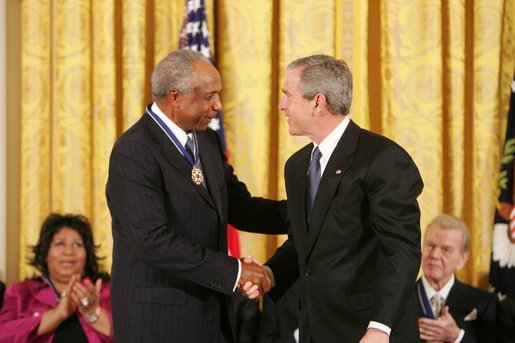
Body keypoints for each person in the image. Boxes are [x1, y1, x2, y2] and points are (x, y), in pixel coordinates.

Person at [105, 49, 285, 343]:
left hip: (211, 318)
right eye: (209, 96)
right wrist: (235, 271)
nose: (218, 106)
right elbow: (152, 241)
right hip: (158, 323)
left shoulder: (207, 140)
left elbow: (240, 207)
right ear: (175, 97)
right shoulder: (134, 151)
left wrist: (306, 213)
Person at [253, 54, 424, 343]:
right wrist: (269, 272)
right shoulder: (296, 166)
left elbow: (402, 250)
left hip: (369, 332)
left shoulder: (383, 159)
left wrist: (380, 327)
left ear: (318, 102)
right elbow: (305, 243)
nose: (281, 105)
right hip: (316, 330)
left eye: (287, 96)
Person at [0, 213, 112, 342]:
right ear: (45, 252)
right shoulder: (21, 293)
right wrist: (57, 314)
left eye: (77, 245)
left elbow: (132, 334)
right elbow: (3, 336)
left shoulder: (106, 291)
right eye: (60, 244)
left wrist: (93, 312)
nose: (69, 251)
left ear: (87, 255)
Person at [416, 214, 498, 342]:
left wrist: (457, 337)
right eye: (430, 245)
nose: (435, 255)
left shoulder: (484, 303)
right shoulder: (398, 298)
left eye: (446, 249)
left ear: (462, 259)